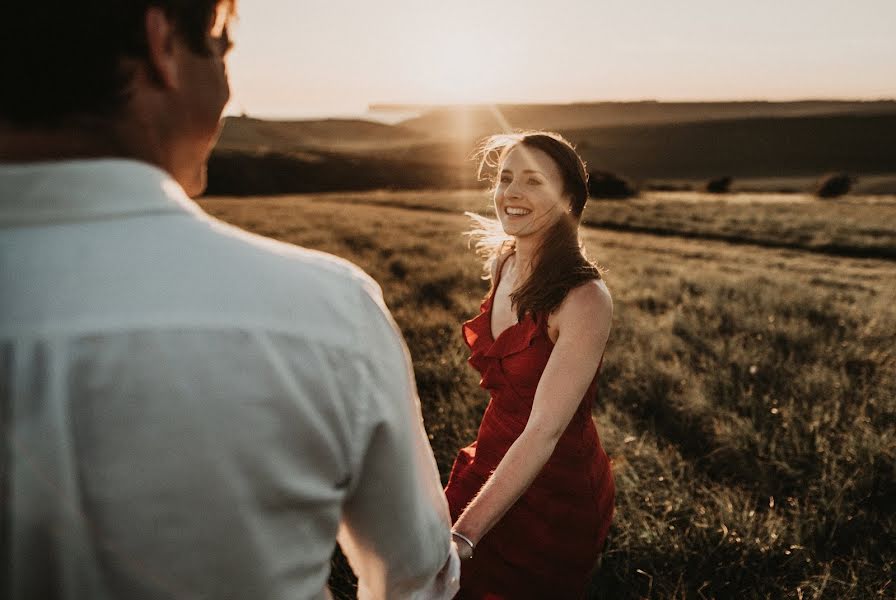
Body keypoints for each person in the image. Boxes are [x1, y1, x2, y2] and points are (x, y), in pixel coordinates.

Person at [0, 2, 458, 598]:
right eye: (220, 47)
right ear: (161, 39)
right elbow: (415, 580)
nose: (224, 78)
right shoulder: (328, 313)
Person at [444, 132, 615, 599]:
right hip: (491, 459)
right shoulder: (505, 263)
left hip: (554, 491)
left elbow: (543, 431)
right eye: (504, 178)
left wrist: (463, 534)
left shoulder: (584, 300)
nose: (510, 193)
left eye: (533, 181)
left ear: (568, 200)